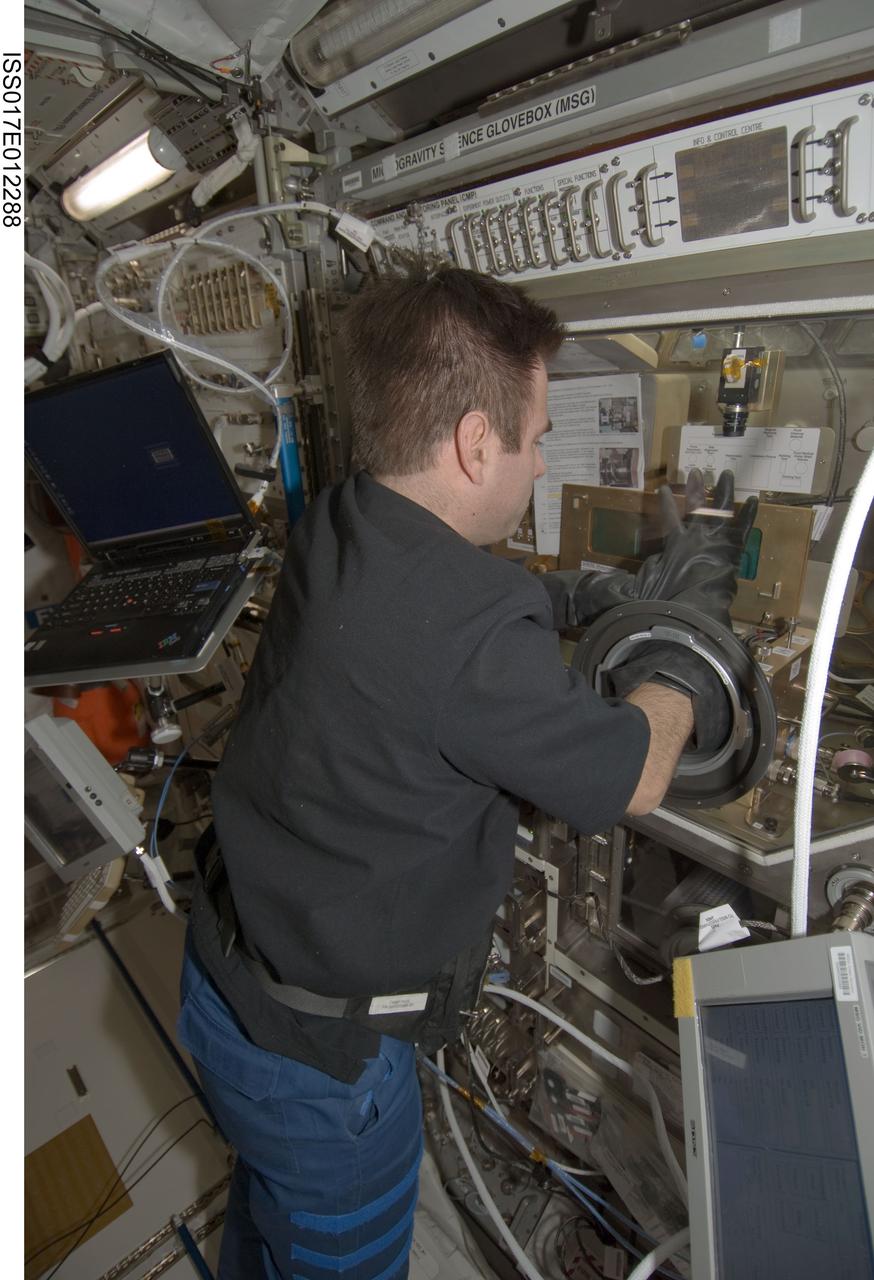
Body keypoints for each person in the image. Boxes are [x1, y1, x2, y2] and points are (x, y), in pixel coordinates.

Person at [177, 264, 755, 1280]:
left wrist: (579, 590)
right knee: (335, 1248)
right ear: (473, 442)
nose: (538, 466)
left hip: (223, 979)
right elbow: (631, 775)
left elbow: (441, 607)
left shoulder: (340, 517)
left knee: (268, 1216)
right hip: (321, 1068)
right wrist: (681, 655)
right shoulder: (473, 637)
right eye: (533, 441)